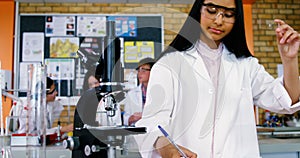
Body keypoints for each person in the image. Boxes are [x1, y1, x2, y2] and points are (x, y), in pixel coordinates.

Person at [134, 0, 300, 157]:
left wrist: (289, 59)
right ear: (198, 9)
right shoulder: (170, 63)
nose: (219, 21)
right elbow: (152, 122)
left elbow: (286, 101)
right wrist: (167, 148)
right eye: (212, 10)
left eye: (228, 15)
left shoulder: (245, 65)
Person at [123, 57, 156, 126]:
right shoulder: (131, 94)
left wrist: (144, 116)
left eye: (143, 70)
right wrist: (131, 118)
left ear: (153, 71)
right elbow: (125, 119)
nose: (140, 73)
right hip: (137, 132)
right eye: (139, 70)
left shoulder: (160, 92)